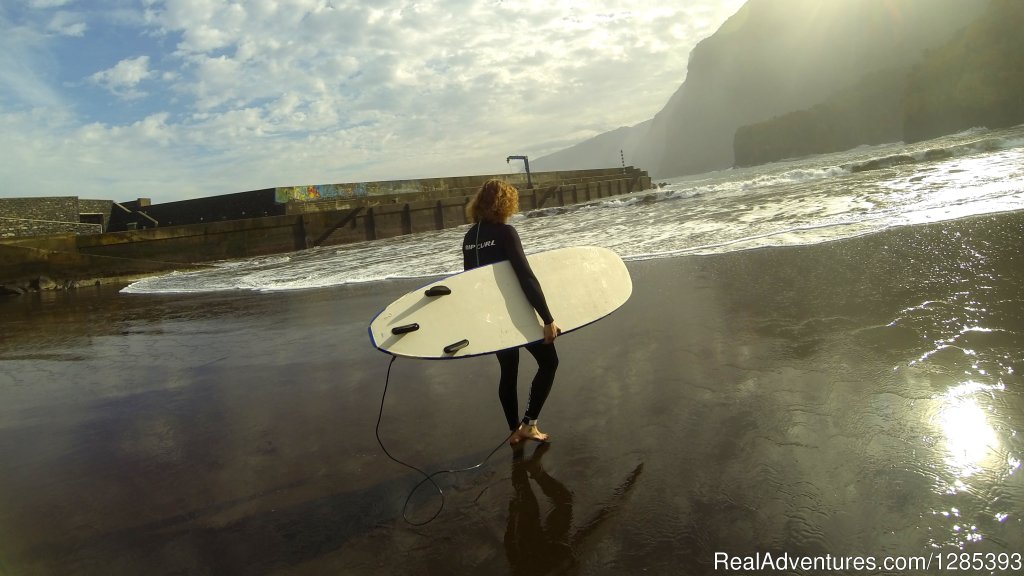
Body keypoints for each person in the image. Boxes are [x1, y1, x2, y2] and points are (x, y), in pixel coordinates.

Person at [463, 179, 561, 445]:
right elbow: (525, 277)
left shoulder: (470, 237)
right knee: (549, 362)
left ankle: (513, 431)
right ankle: (529, 424)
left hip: (491, 316)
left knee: (509, 371)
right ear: (505, 203)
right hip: (514, 313)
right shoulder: (505, 232)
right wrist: (547, 318)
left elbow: (469, 282)